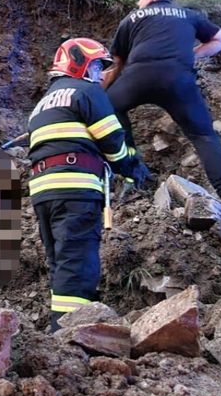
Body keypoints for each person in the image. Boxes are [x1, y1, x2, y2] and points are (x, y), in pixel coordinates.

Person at [28, 38, 152, 332]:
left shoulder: (41, 105)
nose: (100, 75)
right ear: (78, 63)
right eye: (97, 66)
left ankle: (57, 328)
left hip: (43, 192)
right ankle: (70, 337)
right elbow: (112, 141)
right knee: (78, 262)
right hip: (76, 188)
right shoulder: (87, 91)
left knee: (60, 260)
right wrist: (134, 168)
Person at [102, 0, 221, 211]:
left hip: (138, 77)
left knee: (109, 109)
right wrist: (192, 55)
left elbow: (117, 63)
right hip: (179, 80)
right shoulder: (189, 15)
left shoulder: (131, 18)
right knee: (204, 136)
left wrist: (101, 93)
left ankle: (134, 172)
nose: (138, 0)